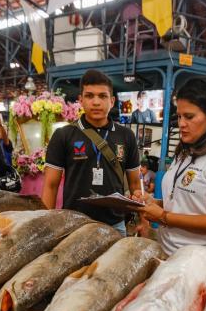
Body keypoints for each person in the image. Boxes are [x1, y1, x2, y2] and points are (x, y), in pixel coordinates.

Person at [132, 76, 206, 262]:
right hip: (168, 252)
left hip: (199, 261)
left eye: (189, 116)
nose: (181, 123)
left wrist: (163, 216)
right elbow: (184, 203)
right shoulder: (186, 152)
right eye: (179, 116)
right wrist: (153, 203)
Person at [43, 69, 141, 236]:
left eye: (102, 96)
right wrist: (45, 226)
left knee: (114, 264)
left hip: (115, 225)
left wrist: (142, 221)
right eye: (89, 96)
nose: (96, 102)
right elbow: (51, 185)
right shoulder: (63, 135)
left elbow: (135, 185)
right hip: (73, 224)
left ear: (112, 100)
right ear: (80, 100)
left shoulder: (126, 136)